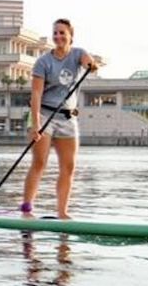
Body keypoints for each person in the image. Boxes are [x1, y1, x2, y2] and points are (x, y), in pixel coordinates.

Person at [20, 18, 99, 219]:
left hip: (67, 118)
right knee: (39, 163)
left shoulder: (78, 54)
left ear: (70, 35)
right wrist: (36, 125)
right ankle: (27, 210)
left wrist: (91, 65)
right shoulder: (43, 62)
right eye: (55, 33)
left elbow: (88, 61)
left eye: (62, 33)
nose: (58, 36)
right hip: (44, 115)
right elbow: (36, 95)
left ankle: (63, 212)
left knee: (69, 166)